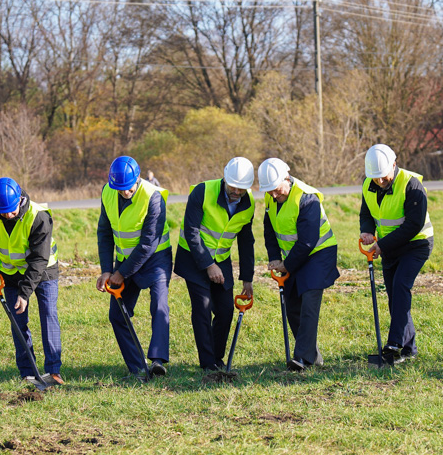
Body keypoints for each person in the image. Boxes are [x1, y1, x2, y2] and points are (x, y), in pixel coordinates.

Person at [0, 177, 63, 384]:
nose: (7, 215)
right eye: (2, 211)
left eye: (11, 211)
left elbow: (39, 259)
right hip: (10, 274)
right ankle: (28, 372)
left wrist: (25, 293)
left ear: (20, 200)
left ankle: (53, 371)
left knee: (48, 316)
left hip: (43, 272)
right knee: (18, 322)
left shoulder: (39, 217)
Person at [174, 157, 255, 372]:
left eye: (242, 189)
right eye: (233, 187)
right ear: (225, 179)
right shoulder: (202, 191)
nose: (237, 192)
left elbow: (246, 242)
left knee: (226, 309)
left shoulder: (249, 204)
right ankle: (208, 364)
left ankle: (217, 357)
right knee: (202, 307)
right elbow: (191, 232)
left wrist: (247, 278)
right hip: (194, 257)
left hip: (221, 260)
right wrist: (208, 265)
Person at [260, 158, 339, 372]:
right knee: (292, 306)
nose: (274, 195)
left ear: (287, 178)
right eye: (270, 192)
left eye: (276, 190)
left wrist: (287, 265)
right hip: (294, 257)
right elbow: (269, 231)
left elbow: (307, 241)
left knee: (308, 304)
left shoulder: (306, 198)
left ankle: (302, 359)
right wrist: (275, 258)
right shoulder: (271, 198)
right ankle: (312, 356)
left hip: (319, 253)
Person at [96, 156, 172, 380]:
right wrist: (106, 270)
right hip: (124, 259)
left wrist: (120, 274)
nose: (124, 193)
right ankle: (137, 367)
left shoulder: (153, 197)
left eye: (128, 189)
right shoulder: (108, 192)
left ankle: (157, 362)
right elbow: (104, 232)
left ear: (137, 179)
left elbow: (148, 243)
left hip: (155, 258)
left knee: (159, 305)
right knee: (117, 314)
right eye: (119, 189)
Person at [359, 144, 433, 364]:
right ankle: (410, 349)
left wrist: (383, 245)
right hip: (389, 247)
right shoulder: (368, 184)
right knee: (395, 296)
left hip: (416, 245)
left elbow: (413, 225)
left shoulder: (411, 184)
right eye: (375, 177)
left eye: (383, 176)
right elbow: (366, 212)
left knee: (401, 286)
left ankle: (394, 343)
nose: (380, 181)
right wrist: (366, 230)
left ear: (394, 163)